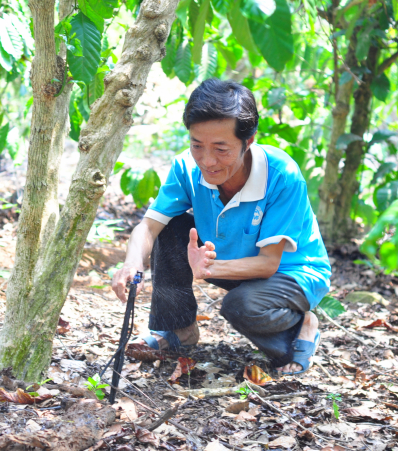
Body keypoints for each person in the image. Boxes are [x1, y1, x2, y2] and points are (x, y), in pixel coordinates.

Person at [112, 79, 331, 374]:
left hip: (290, 272)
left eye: (221, 149)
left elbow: (268, 263)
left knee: (240, 305)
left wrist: (208, 269)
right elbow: (149, 227)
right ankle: (178, 332)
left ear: (249, 140)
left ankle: (302, 327)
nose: (207, 160)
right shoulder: (186, 169)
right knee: (170, 225)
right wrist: (132, 261)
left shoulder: (281, 175)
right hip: (221, 259)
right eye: (197, 145)